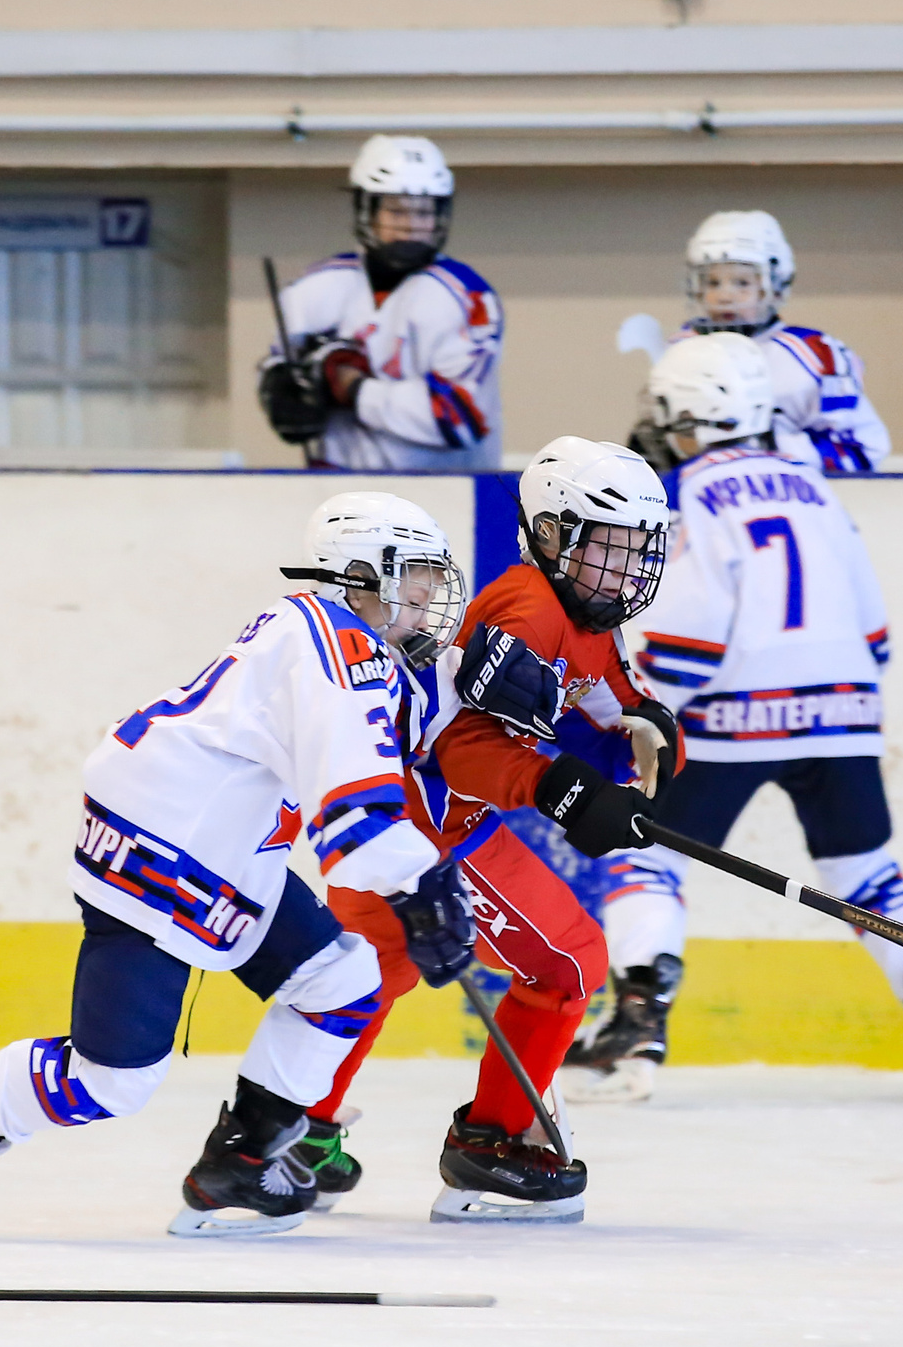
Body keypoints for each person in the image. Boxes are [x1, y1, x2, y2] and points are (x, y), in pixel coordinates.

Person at [0, 493, 477, 1240]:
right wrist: (426, 885)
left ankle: (243, 1160)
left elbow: (387, 723)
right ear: (363, 574)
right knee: (113, 1081)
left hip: (213, 843)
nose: (431, 597)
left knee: (342, 980)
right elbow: (356, 821)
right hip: (166, 844)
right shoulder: (344, 654)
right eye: (417, 579)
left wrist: (479, 683)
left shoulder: (317, 630)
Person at [574, 337, 903, 1103]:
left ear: (688, 411)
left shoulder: (690, 490)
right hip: (846, 707)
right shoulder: (812, 485)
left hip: (735, 714)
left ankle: (637, 1020)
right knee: (863, 871)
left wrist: (634, 710)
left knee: (648, 858)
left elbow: (692, 638)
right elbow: (876, 631)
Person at [290, 436, 677, 1224]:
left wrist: (645, 729)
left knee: (370, 973)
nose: (627, 567)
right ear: (554, 535)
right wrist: (559, 788)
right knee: (570, 958)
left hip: (392, 820)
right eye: (610, 547)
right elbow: (463, 746)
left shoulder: (584, 612)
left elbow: (607, 696)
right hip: (430, 825)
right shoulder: (526, 609)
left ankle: (291, 1132)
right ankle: (492, 1148)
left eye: (639, 549)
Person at [257, 135, 503, 471]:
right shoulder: (314, 288)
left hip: (443, 497)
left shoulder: (467, 298)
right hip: (334, 491)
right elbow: (280, 367)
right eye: (396, 209)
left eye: (423, 211)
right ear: (366, 210)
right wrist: (281, 391)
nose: (410, 224)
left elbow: (459, 417)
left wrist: (354, 389)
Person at [630, 210, 889, 478]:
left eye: (742, 283)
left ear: (775, 286)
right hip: (703, 497)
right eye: (713, 282)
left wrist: (767, 448)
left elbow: (864, 448)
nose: (724, 296)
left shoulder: (815, 353)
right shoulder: (680, 349)